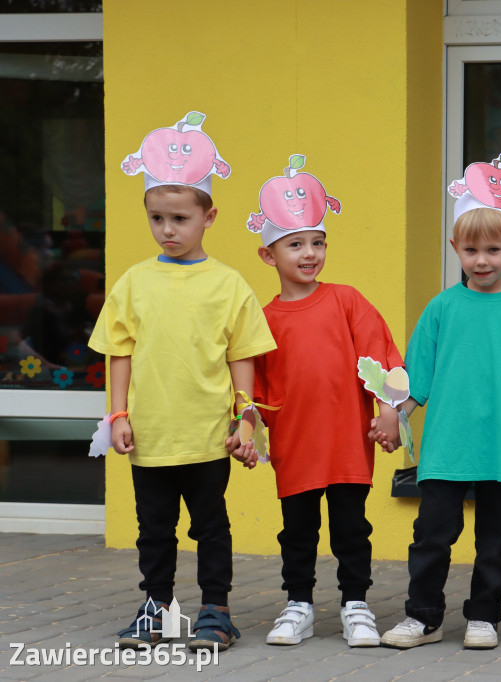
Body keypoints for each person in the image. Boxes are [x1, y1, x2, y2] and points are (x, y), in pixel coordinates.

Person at [88, 112, 276, 651]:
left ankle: (216, 610)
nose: (167, 230)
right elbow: (118, 352)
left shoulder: (228, 284)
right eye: (156, 218)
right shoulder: (134, 282)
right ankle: (158, 608)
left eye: (179, 218)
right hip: (151, 435)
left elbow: (242, 356)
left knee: (211, 527)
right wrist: (118, 415)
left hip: (208, 436)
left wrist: (246, 416)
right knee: (154, 530)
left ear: (208, 216)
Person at [379, 155, 501, 650]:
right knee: (432, 536)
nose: (482, 260)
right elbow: (414, 379)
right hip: (446, 446)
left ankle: (484, 615)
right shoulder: (441, 308)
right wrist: (392, 417)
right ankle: (422, 616)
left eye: (494, 249)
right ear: (456, 247)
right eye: (472, 250)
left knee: (496, 541)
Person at [239, 154, 402, 648]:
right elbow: (254, 390)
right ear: (269, 255)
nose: (309, 253)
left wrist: (390, 413)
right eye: (295, 245)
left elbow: (382, 360)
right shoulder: (261, 319)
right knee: (298, 532)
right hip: (296, 446)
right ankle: (299, 605)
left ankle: (357, 604)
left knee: (353, 529)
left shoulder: (347, 300)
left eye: (317, 242)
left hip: (348, 444)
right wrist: (247, 433)